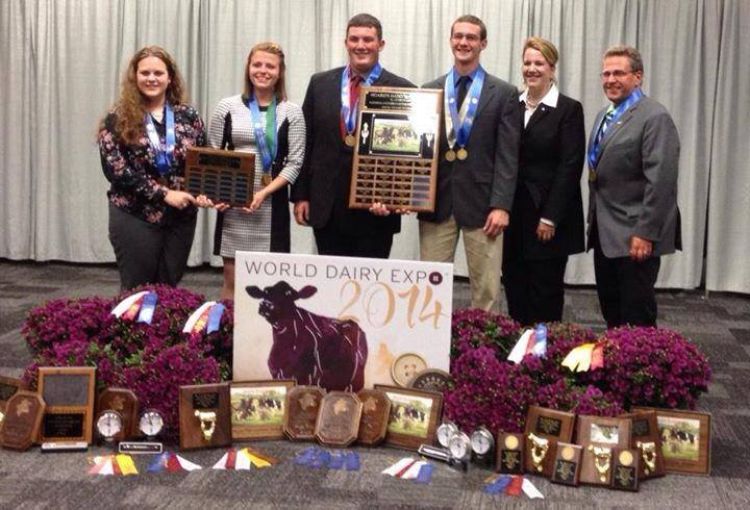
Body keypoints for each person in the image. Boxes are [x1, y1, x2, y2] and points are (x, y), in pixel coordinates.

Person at [291, 13, 414, 258]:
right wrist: (301, 195)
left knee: (371, 286)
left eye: (368, 39)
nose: (360, 45)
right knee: (331, 283)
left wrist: (395, 197)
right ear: (345, 42)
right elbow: (306, 141)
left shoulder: (403, 90)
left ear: (381, 44)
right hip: (327, 203)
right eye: (354, 39)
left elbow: (407, 154)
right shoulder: (320, 83)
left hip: (375, 207)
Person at [420, 15, 520, 312]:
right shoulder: (430, 89)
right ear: (451, 41)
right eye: (459, 36)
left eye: (471, 37)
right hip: (437, 203)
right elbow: (421, 152)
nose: (464, 42)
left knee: (486, 289)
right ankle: (431, 348)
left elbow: (508, 155)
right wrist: (411, 194)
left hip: (484, 206)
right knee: (430, 286)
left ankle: (483, 355)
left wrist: (501, 205)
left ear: (483, 44)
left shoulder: (503, 93)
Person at [200, 42, 305, 300]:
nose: (263, 70)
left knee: (270, 286)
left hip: (272, 205)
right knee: (233, 283)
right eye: (257, 64)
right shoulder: (227, 107)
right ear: (248, 68)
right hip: (234, 207)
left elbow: (295, 162)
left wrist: (263, 193)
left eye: (270, 66)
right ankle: (226, 338)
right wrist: (221, 195)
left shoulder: (292, 112)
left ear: (280, 72)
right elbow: (211, 156)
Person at [587, 45, 681, 328]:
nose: (610, 79)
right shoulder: (605, 114)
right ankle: (617, 369)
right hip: (606, 234)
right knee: (612, 313)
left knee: (636, 316)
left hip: (635, 237)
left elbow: (661, 181)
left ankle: (641, 372)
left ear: (638, 77)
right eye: (606, 73)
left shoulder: (654, 117)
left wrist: (645, 233)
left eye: (619, 73)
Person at [98, 46, 205, 290]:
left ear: (170, 78)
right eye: (145, 73)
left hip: (180, 217)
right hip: (135, 214)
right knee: (137, 291)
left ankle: (162, 330)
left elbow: (201, 162)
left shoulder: (188, 115)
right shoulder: (117, 117)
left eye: (158, 72)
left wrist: (207, 193)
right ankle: (130, 330)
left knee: (169, 289)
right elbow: (116, 170)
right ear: (135, 77)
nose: (152, 78)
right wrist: (165, 194)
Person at [502, 37, 585, 326]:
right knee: (515, 286)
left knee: (544, 292)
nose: (532, 69)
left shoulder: (568, 109)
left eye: (539, 63)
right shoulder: (511, 104)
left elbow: (570, 166)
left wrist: (550, 217)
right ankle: (517, 358)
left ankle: (543, 358)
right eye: (527, 63)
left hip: (547, 219)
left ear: (552, 68)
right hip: (513, 215)